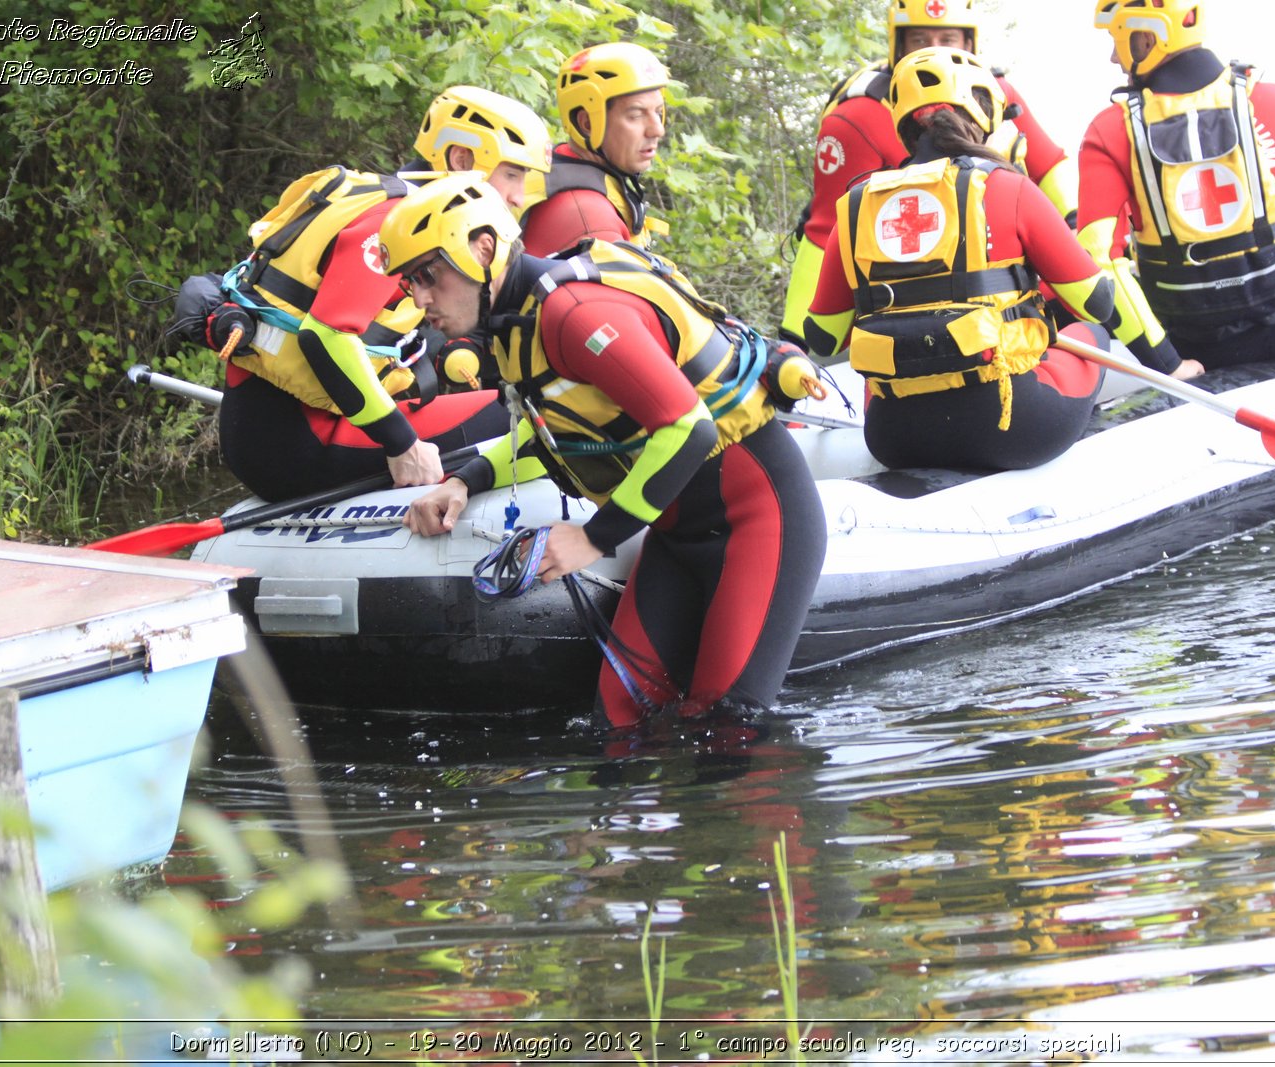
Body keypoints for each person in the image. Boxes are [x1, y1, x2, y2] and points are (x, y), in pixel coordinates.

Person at [385, 174, 826, 728]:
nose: (420, 298)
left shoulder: (574, 314)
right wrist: (464, 480)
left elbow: (690, 430)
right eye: (409, 282)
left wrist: (593, 540)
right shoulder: (513, 323)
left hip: (758, 521)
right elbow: (552, 431)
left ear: (483, 248)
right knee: (618, 722)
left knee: (728, 730)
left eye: (430, 274)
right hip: (675, 537)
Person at [804, 48, 1188, 472]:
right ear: (984, 112)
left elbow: (823, 339)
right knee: (1090, 331)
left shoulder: (855, 208)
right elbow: (1095, 302)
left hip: (895, 439)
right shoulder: (1007, 186)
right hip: (1014, 429)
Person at [210, 87, 553, 502]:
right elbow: (326, 334)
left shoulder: (400, 209)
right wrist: (402, 445)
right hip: (297, 447)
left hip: (282, 433)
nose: (517, 196)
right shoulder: (391, 222)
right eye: (512, 174)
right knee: (534, 416)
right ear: (461, 160)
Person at [780, 0, 1079, 347]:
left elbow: (1050, 165)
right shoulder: (857, 116)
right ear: (898, 47)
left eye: (948, 40)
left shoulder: (995, 92)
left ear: (970, 45)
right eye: (920, 42)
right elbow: (825, 231)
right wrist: (794, 342)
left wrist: (1075, 229)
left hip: (1011, 295)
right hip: (912, 315)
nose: (935, 52)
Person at [1080, 0, 1275, 370]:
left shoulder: (1108, 130)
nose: (1113, 57)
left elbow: (1095, 263)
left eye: (1116, 39)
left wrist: (1168, 364)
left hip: (1197, 348)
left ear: (1145, 38)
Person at [519, 42, 670, 257]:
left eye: (658, 112)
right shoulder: (588, 220)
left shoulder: (566, 166)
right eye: (636, 115)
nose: (657, 130)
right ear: (587, 123)